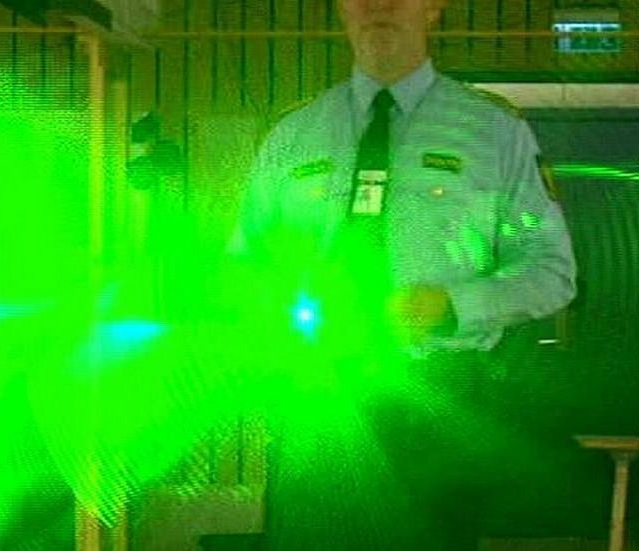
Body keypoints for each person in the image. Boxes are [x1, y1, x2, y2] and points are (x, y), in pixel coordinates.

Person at [227, 0, 577, 548]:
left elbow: (552, 271)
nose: (378, 5)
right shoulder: (294, 135)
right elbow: (244, 268)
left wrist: (452, 305)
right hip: (316, 407)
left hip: (437, 408)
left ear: (433, 7)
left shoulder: (492, 131)